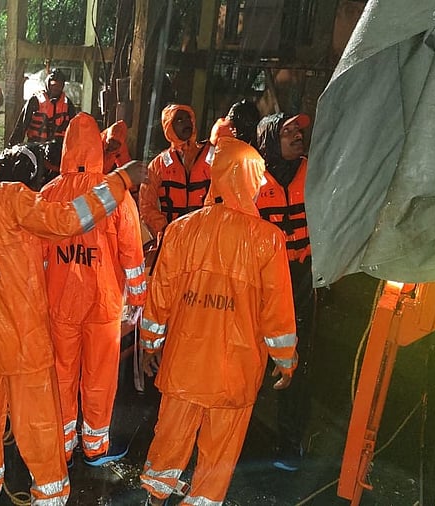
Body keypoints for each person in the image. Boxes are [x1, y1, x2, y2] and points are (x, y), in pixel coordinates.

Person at [0, 122, 146, 506]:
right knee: (38, 421)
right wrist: (120, 181)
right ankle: (51, 493)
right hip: (24, 339)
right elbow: (68, 221)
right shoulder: (11, 198)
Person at [138, 133, 298, 506]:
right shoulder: (268, 239)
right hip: (236, 371)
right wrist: (285, 361)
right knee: (220, 450)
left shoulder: (180, 231)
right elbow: (277, 312)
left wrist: (150, 345)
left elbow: (159, 299)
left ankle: (155, 496)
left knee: (170, 437)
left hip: (184, 365)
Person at [40, 113, 147, 467]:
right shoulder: (117, 195)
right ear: (99, 148)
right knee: (99, 378)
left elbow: (35, 255)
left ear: (67, 146)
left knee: (61, 376)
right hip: (103, 305)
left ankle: (62, 446)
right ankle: (96, 446)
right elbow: (132, 254)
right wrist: (138, 299)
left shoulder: (48, 194)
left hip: (59, 305)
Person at [255, 112, 317, 472]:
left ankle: (289, 443)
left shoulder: (313, 171)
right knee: (253, 358)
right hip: (263, 281)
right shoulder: (252, 178)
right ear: (269, 141)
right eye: (288, 132)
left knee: (297, 361)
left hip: (302, 278)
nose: (297, 136)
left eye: (298, 131)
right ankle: (241, 431)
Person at [137, 104, 214, 245]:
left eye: (188, 118)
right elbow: (146, 205)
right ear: (169, 127)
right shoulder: (158, 165)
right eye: (179, 120)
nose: (186, 122)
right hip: (172, 240)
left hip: (205, 238)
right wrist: (165, 229)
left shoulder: (213, 156)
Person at [8, 68, 77, 146]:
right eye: (53, 85)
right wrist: (13, 145)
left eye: (59, 86)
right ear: (47, 84)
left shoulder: (68, 104)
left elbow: (75, 129)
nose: (56, 88)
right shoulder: (35, 100)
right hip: (36, 145)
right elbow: (22, 125)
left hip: (58, 147)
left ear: (62, 86)